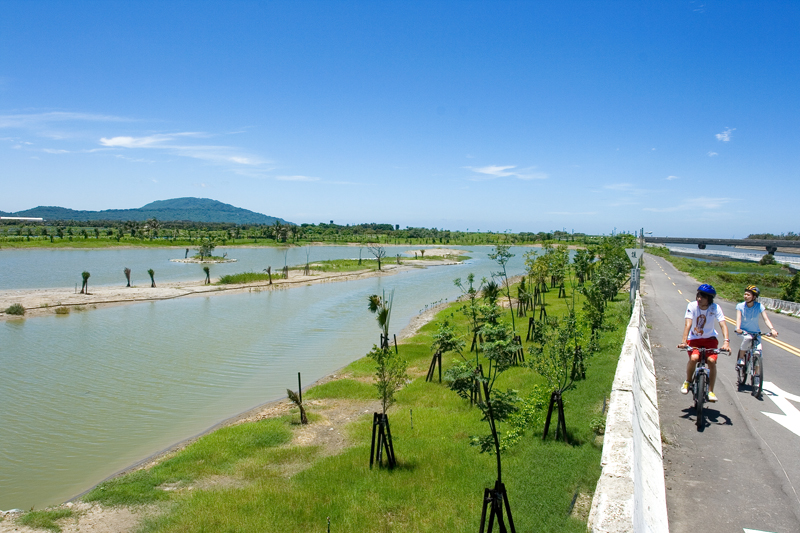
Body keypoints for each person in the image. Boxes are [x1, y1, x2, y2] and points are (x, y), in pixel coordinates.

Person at [678, 284, 730, 402]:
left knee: (711, 361)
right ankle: (688, 381)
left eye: (702, 297)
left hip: (710, 339)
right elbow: (688, 324)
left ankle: (711, 391)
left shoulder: (715, 308)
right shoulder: (692, 306)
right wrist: (683, 342)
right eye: (698, 296)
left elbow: (723, 325)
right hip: (694, 339)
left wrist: (726, 342)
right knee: (694, 358)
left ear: (709, 299)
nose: (699, 299)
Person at [735, 285, 778, 365]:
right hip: (743, 331)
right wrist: (738, 328)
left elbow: (766, 319)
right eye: (745, 294)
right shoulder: (740, 306)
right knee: (747, 338)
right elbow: (739, 318)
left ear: (754, 297)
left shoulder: (759, 306)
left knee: (758, 352)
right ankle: (741, 358)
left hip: (756, 332)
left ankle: (757, 375)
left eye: (748, 295)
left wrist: (772, 329)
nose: (746, 296)